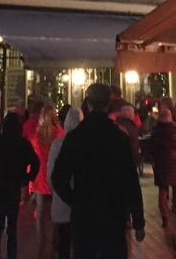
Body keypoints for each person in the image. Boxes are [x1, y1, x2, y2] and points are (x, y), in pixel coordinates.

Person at [52, 82, 145, 259]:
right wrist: (138, 220)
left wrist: (74, 200)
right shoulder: (119, 138)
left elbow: (58, 177)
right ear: (108, 103)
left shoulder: (75, 137)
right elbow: (131, 181)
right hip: (113, 213)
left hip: (85, 214)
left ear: (88, 103)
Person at [0, 112, 40, 259]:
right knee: (12, 228)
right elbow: (36, 162)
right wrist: (26, 179)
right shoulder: (23, 144)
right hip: (14, 188)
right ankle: (11, 255)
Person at [29, 102, 65, 259]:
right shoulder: (61, 135)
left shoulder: (35, 137)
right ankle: (55, 248)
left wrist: (29, 185)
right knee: (57, 216)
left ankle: (42, 250)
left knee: (41, 220)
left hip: (39, 183)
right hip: (56, 182)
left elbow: (31, 163)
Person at [47, 106, 81, 259]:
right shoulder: (84, 145)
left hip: (61, 200)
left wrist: (55, 193)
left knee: (64, 244)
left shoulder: (57, 144)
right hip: (80, 202)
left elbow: (51, 174)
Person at [149, 107, 176, 231]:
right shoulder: (175, 129)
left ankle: (164, 216)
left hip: (161, 160)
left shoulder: (156, 130)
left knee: (163, 188)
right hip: (174, 159)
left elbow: (152, 147)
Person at [116, 104, 142, 170]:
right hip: (129, 155)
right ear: (129, 114)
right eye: (133, 113)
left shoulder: (117, 124)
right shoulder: (130, 126)